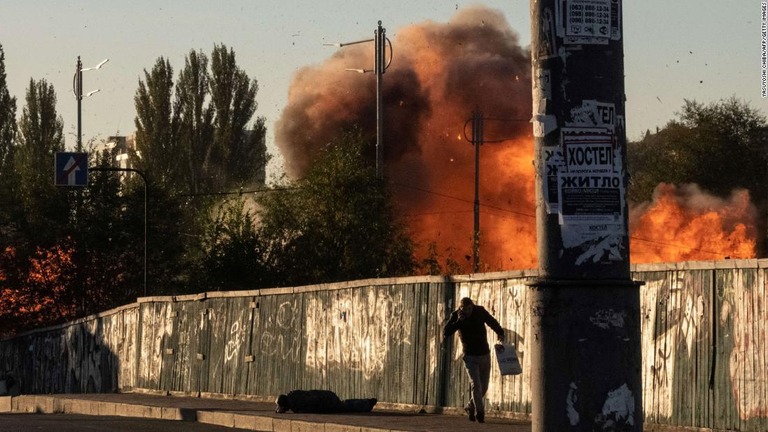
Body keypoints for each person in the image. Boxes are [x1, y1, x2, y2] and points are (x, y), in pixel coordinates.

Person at [443, 297, 504, 423]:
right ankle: (480, 413)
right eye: (464, 309)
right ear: (460, 308)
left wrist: (500, 331)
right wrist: (459, 321)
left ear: (473, 306)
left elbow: (491, 321)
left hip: (484, 354)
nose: (467, 312)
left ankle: (470, 406)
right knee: (476, 384)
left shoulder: (480, 311)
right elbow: (446, 332)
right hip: (469, 356)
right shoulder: (456, 316)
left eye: (469, 309)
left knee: (484, 386)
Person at [275, 389, 377, 414]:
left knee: (345, 407)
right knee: (344, 404)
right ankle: (367, 402)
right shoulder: (293, 395)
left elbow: (313, 405)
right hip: (326, 396)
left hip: (326, 401)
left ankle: (368, 404)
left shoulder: (296, 404)